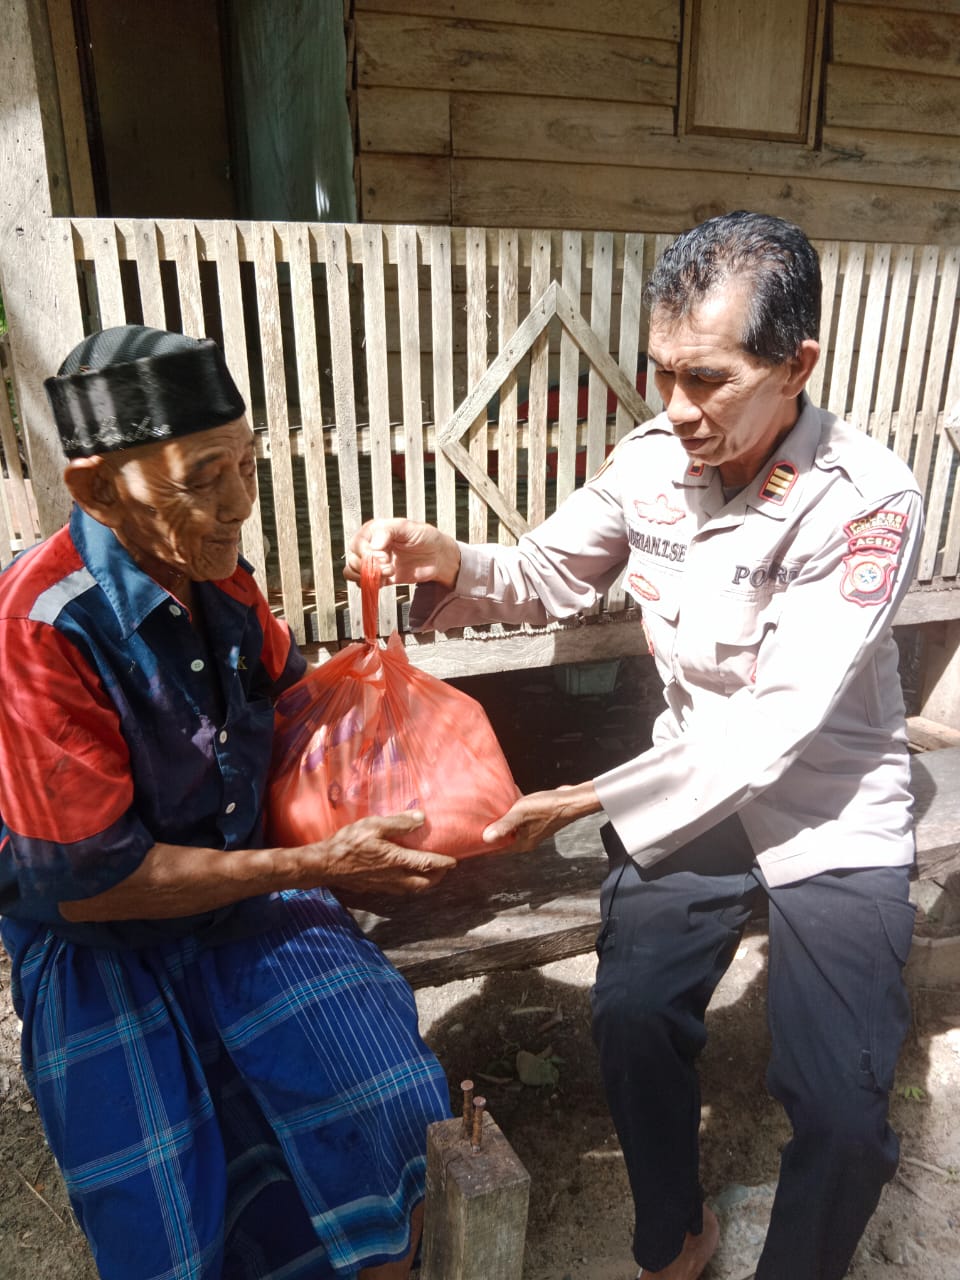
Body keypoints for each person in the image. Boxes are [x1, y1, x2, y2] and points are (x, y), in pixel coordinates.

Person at [347, 211, 924, 1280]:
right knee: (630, 1009)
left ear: (797, 363)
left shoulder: (867, 501)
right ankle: (675, 1234)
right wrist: (445, 555)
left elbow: (777, 722)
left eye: (707, 379)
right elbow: (546, 571)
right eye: (661, 373)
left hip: (829, 805)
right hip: (694, 789)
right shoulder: (655, 456)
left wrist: (583, 798)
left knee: (843, 1108)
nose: (676, 408)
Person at [0, 325, 457, 1280]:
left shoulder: (224, 586)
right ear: (95, 489)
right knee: (163, 1220)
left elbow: (287, 706)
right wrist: (318, 866)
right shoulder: (40, 634)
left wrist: (382, 696)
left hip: (245, 899)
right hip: (102, 944)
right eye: (202, 477)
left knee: (390, 1115)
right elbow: (100, 884)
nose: (240, 504)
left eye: (247, 464)